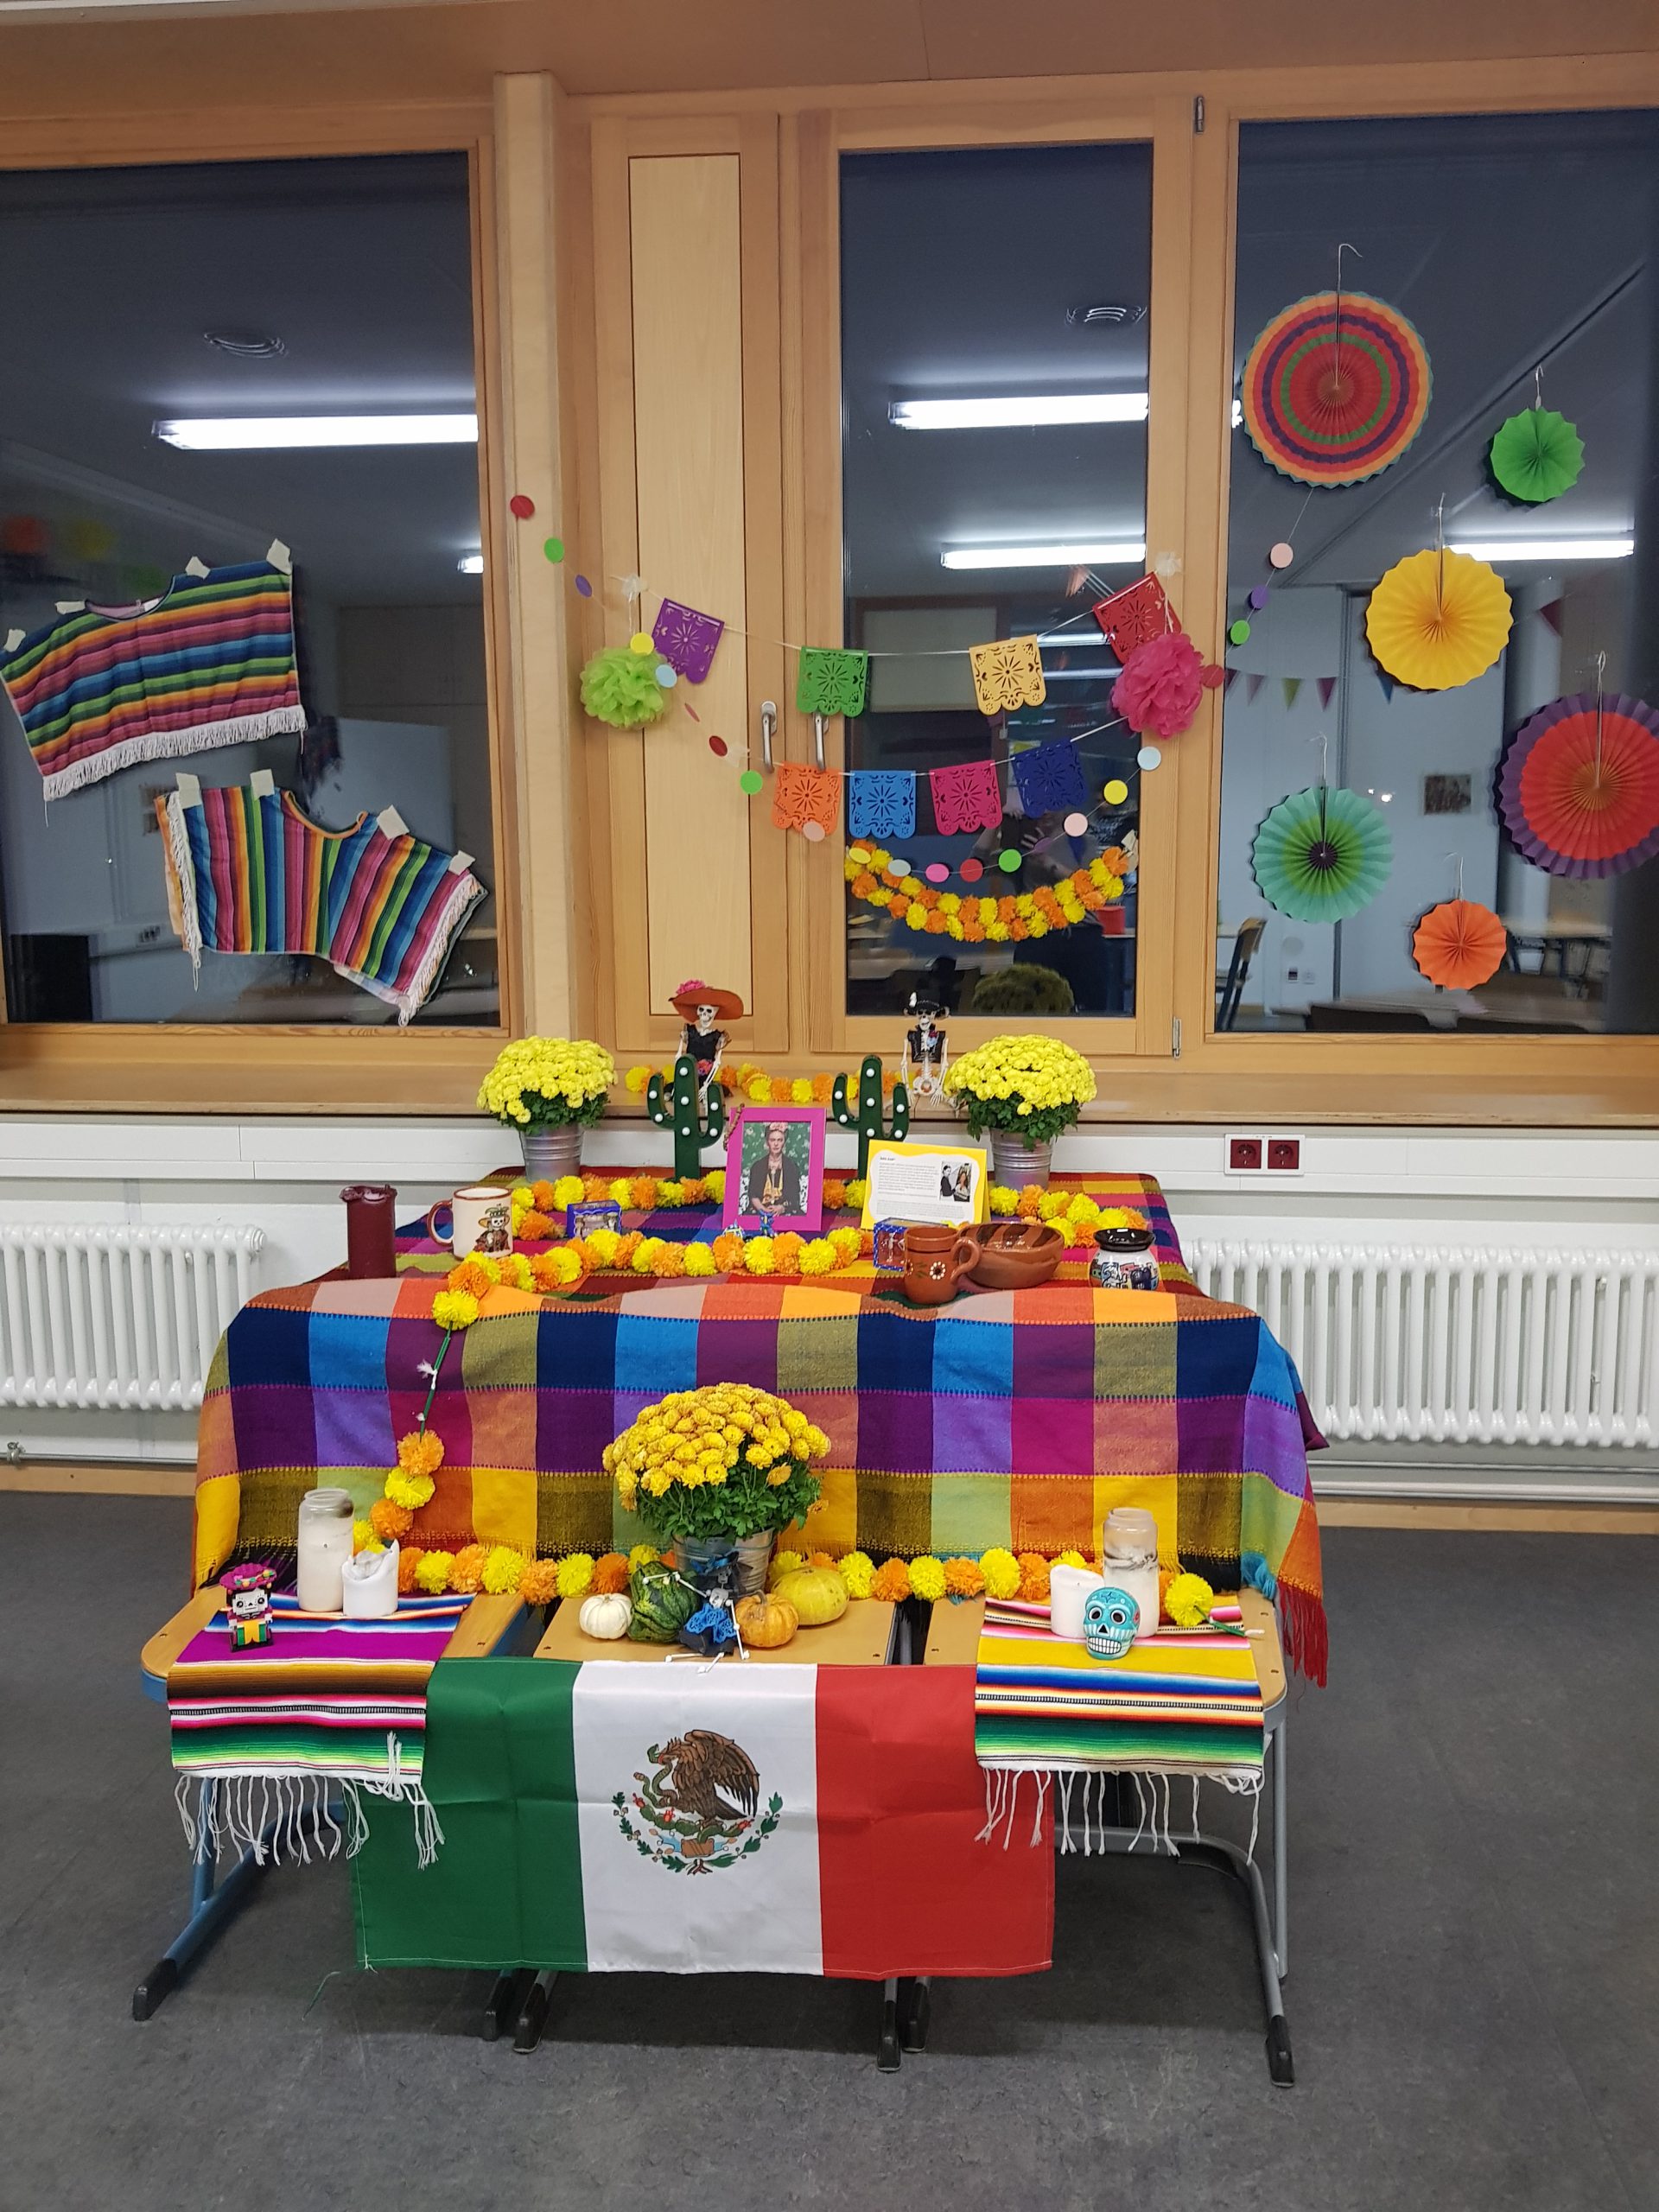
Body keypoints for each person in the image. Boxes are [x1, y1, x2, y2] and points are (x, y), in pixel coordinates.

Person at [670, 977, 746, 1101]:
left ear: (715, 1014)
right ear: (697, 1011)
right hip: (687, 1076)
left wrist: (705, 1086)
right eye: (701, 1010)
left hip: (706, 1079)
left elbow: (717, 1063)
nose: (704, 1015)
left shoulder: (717, 1037)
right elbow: (678, 1057)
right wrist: (678, 1084)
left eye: (709, 1011)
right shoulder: (689, 1032)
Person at [744, 1121, 804, 1216]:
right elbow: (753, 1195)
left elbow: (794, 1196)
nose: (776, 1144)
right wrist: (763, 1209)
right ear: (767, 1142)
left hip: (785, 1210)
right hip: (760, 1210)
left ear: (784, 1142)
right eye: (772, 1140)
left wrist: (782, 1208)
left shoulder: (791, 1166)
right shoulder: (757, 1166)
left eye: (779, 1140)